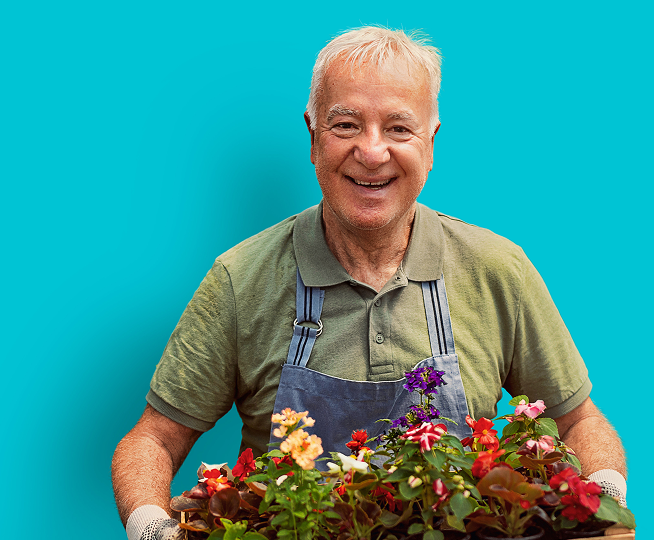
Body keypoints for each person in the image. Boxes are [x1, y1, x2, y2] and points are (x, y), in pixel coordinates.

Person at [112, 26, 627, 540]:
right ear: (313, 137)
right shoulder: (239, 279)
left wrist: (604, 498)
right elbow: (153, 439)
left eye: (399, 129)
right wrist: (153, 528)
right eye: (346, 125)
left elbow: (580, 421)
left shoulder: (497, 269)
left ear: (431, 142)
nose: (372, 151)